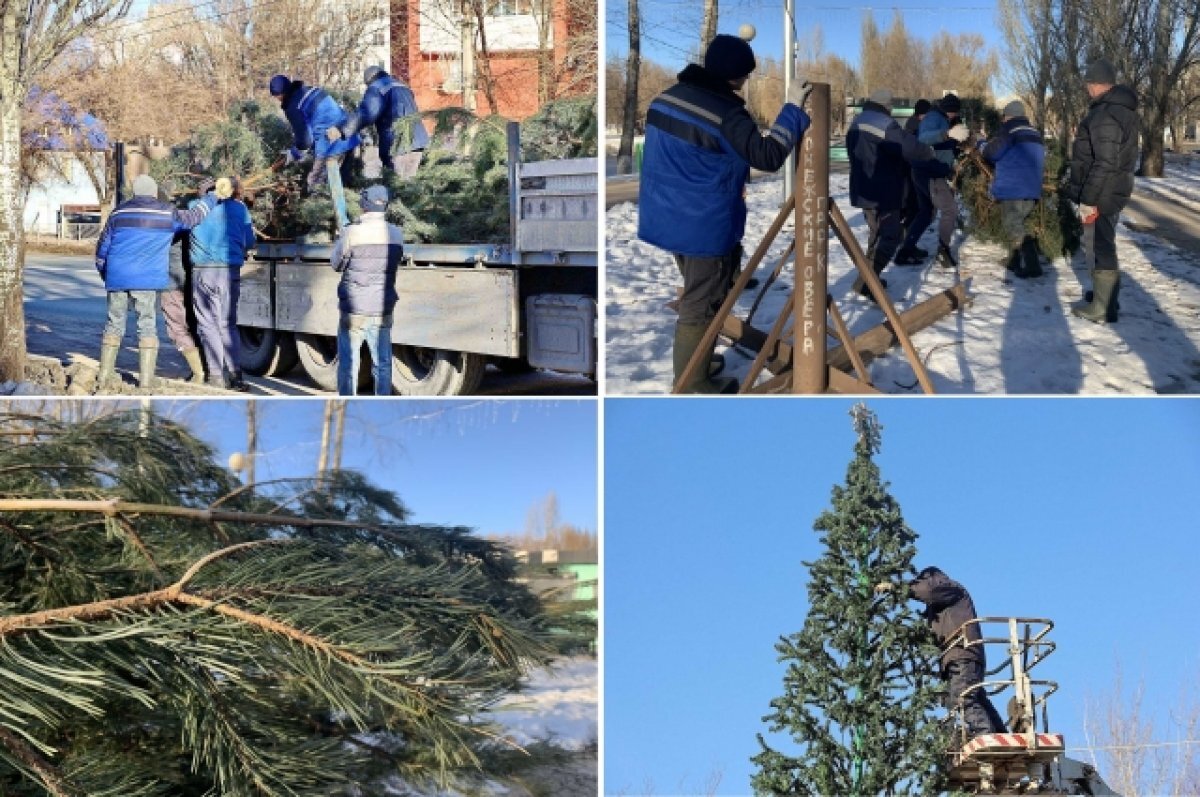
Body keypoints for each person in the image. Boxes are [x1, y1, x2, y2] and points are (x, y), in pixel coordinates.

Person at [638, 33, 812, 393]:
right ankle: (691, 382)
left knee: (700, 292)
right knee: (701, 304)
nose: (746, 83)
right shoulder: (727, 114)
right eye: (745, 77)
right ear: (735, 77)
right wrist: (792, 110)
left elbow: (692, 156)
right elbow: (767, 155)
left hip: (666, 217)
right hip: (703, 225)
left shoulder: (665, 99)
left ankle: (698, 357)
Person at [94, 174, 216, 391]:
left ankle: (104, 377)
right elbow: (195, 217)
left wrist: (106, 273)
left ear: (134, 192)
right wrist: (210, 198)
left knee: (114, 323)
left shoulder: (118, 212)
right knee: (147, 325)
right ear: (153, 193)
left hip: (117, 276)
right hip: (146, 279)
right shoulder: (166, 213)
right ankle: (146, 382)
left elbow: (102, 248)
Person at [877, 566, 1006, 741]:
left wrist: (897, 588)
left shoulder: (949, 587)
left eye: (921, 580)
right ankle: (1000, 734)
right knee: (973, 696)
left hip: (962, 653)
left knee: (963, 697)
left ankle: (986, 735)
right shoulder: (943, 605)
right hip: (959, 655)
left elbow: (928, 590)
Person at [846, 89, 946, 301]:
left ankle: (868, 280)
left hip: (863, 189)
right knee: (891, 236)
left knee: (876, 235)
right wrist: (929, 152)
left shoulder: (857, 122)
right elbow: (908, 147)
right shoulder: (882, 123)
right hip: (883, 191)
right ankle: (866, 283)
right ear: (886, 106)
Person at [1066, 58, 1139, 324]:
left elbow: (1104, 161)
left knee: (1102, 244)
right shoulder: (1121, 111)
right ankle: (1104, 298)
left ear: (1097, 84)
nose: (1087, 88)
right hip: (1113, 189)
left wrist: (1088, 199)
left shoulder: (1105, 114)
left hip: (1103, 192)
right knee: (1102, 243)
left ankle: (1103, 308)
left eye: (1088, 83)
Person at [330, 184, 403, 395]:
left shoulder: (353, 233)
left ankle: (347, 404)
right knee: (383, 364)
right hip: (382, 309)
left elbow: (336, 264)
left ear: (364, 205)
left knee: (349, 365)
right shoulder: (396, 234)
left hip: (354, 309)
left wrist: (341, 239)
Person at [190, 176, 256, 391]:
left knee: (208, 324)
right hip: (229, 270)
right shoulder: (240, 210)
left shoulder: (195, 208)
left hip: (202, 272)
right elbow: (250, 241)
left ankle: (216, 376)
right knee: (228, 324)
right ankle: (236, 376)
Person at [268, 74, 361, 227]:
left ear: (280, 94)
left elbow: (305, 140)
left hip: (331, 146)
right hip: (348, 136)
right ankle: (348, 222)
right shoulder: (309, 90)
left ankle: (324, 229)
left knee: (317, 185)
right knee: (344, 185)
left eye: (276, 96)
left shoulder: (293, 106)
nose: (277, 99)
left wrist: (294, 153)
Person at [902, 94, 972, 268]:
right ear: (947, 109)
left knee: (925, 213)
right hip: (930, 172)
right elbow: (923, 138)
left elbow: (943, 146)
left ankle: (905, 250)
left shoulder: (942, 118)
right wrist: (947, 134)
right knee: (950, 209)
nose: (954, 115)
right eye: (953, 112)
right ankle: (943, 250)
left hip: (924, 170)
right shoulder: (934, 117)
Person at [982, 100, 1046, 280]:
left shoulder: (1010, 132)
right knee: (1018, 222)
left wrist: (983, 146)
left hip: (1013, 187)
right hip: (1032, 189)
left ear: (1008, 116)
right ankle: (1014, 261)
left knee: (1013, 224)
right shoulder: (1035, 133)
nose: (1003, 119)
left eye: (1004, 116)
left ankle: (1033, 266)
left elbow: (992, 153)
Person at [339, 65, 429, 176]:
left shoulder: (377, 87)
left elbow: (366, 113)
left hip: (398, 144)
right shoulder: (402, 86)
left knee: (397, 183)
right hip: (418, 142)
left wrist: (344, 130)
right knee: (409, 185)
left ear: (369, 80)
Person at [161, 225, 205, 385]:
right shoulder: (189, 224)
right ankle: (204, 369)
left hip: (172, 283)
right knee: (193, 324)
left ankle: (198, 373)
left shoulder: (168, 227)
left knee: (177, 328)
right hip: (188, 279)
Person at [898, 98, 932, 255]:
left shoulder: (912, 126)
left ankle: (907, 241)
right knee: (914, 208)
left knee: (913, 208)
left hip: (910, 173)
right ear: (921, 115)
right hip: (911, 173)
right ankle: (907, 244)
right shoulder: (915, 128)